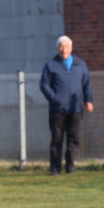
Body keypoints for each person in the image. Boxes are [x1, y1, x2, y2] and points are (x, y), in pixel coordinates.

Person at [39, 35, 94, 175]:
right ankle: (55, 168)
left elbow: (86, 84)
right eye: (61, 47)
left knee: (73, 139)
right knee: (57, 140)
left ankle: (70, 166)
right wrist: (54, 97)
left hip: (75, 109)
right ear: (57, 49)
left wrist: (89, 100)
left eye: (67, 46)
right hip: (57, 110)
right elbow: (44, 84)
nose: (64, 50)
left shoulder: (80, 64)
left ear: (71, 48)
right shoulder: (51, 65)